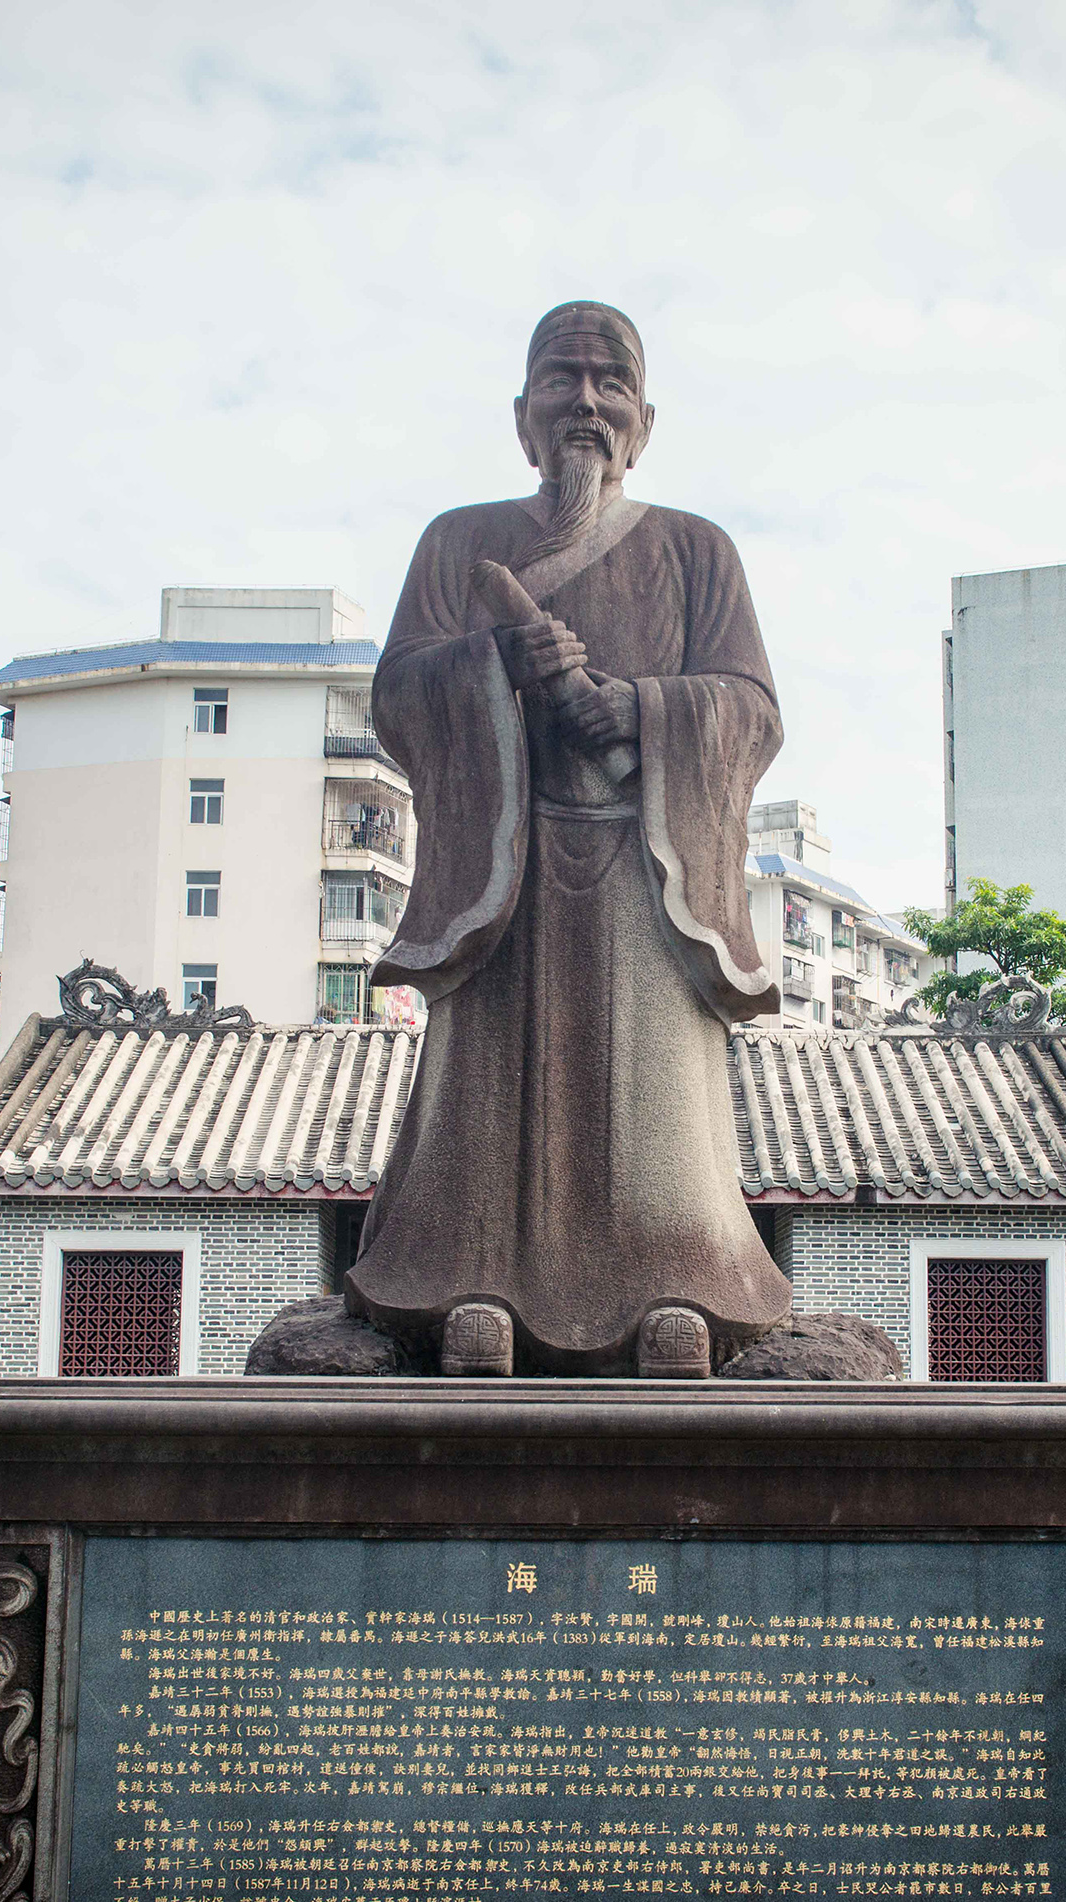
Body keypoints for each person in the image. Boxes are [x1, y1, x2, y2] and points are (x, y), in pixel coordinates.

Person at [342, 301, 790, 1377]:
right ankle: (469, 1288)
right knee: (490, 1095)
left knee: (655, 1106)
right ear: (522, 413)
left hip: (647, 866)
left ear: (644, 418)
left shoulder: (697, 552)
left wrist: (638, 709)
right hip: (506, 866)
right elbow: (398, 694)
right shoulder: (459, 544)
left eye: (610, 382)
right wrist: (492, 660)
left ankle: (677, 1288)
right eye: (562, 379)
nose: (585, 401)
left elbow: (752, 708)